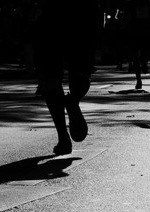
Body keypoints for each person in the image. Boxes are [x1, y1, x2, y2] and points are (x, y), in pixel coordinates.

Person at [33, 0, 98, 155]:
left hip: (52, 18)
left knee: (51, 77)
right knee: (81, 70)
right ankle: (73, 98)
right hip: (81, 16)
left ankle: (63, 138)